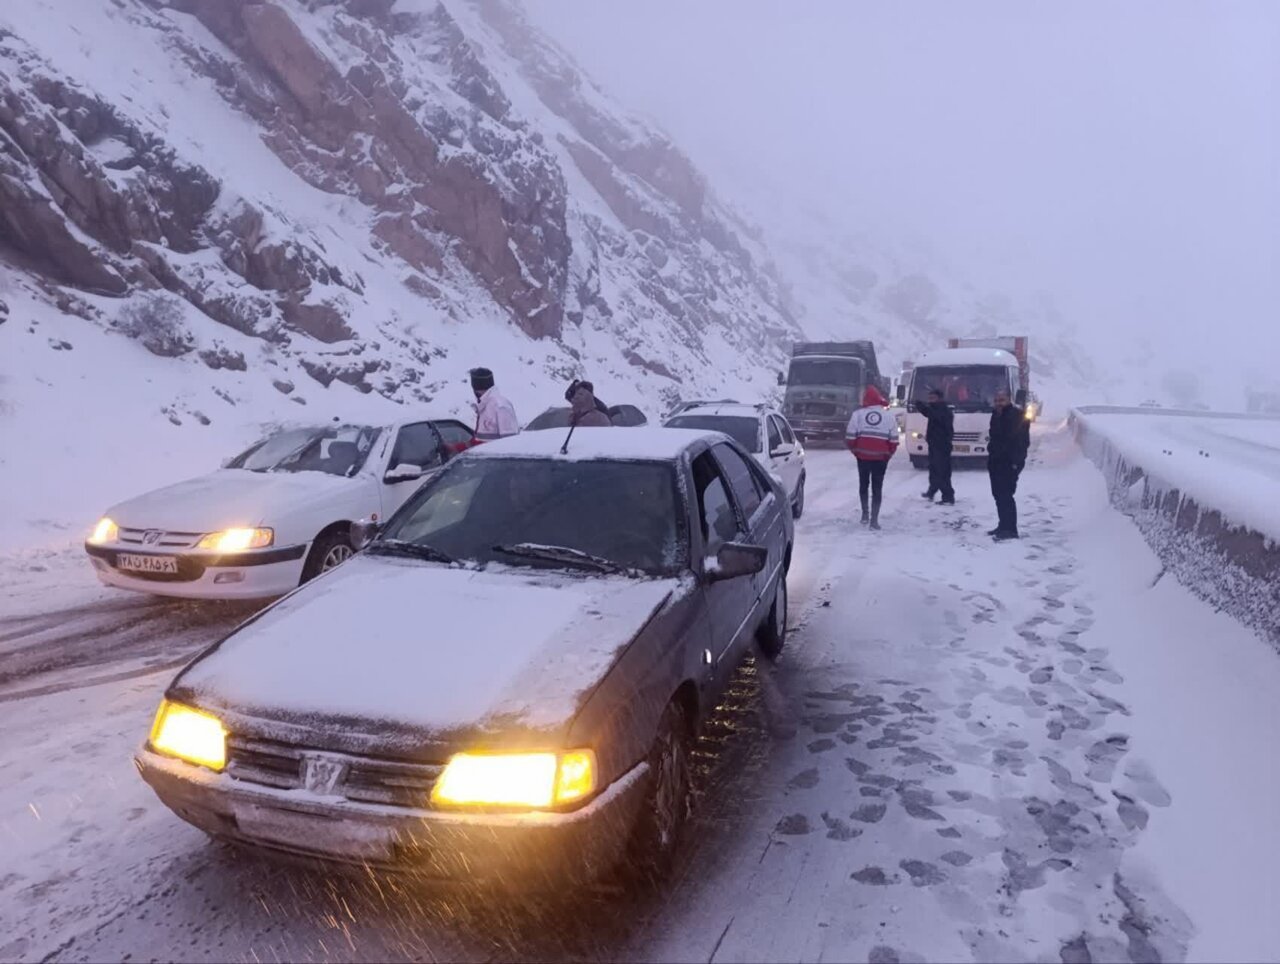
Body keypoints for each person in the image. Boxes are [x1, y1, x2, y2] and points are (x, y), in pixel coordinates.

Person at [845, 385, 898, 530]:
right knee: (877, 488)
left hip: (862, 457)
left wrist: (855, 450)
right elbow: (894, 439)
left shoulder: (858, 414)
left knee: (863, 485)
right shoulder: (889, 416)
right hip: (881, 459)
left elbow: (850, 436)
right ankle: (874, 520)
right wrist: (888, 454)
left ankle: (864, 514)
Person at [987, 389, 1029, 541]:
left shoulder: (1017, 415)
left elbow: (1021, 442)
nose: (999, 403)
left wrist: (1015, 463)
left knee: (1006, 496)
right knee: (998, 494)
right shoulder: (996, 414)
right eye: (997, 400)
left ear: (1009, 400)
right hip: (996, 462)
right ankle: (1002, 525)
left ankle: (1011, 529)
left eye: (1002, 400)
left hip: (1009, 463)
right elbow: (994, 437)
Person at [917, 388, 955, 504]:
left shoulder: (943, 410)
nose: (930, 401)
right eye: (929, 398)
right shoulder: (935, 409)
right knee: (933, 469)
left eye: (933, 398)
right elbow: (929, 413)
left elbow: (934, 416)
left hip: (942, 445)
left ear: (939, 399)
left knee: (942, 471)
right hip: (934, 444)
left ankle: (948, 496)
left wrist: (923, 407)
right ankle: (932, 491)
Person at [470, 367, 519, 440]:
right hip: (480, 451)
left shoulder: (501, 407)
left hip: (494, 452)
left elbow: (510, 442)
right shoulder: (483, 406)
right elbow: (480, 441)